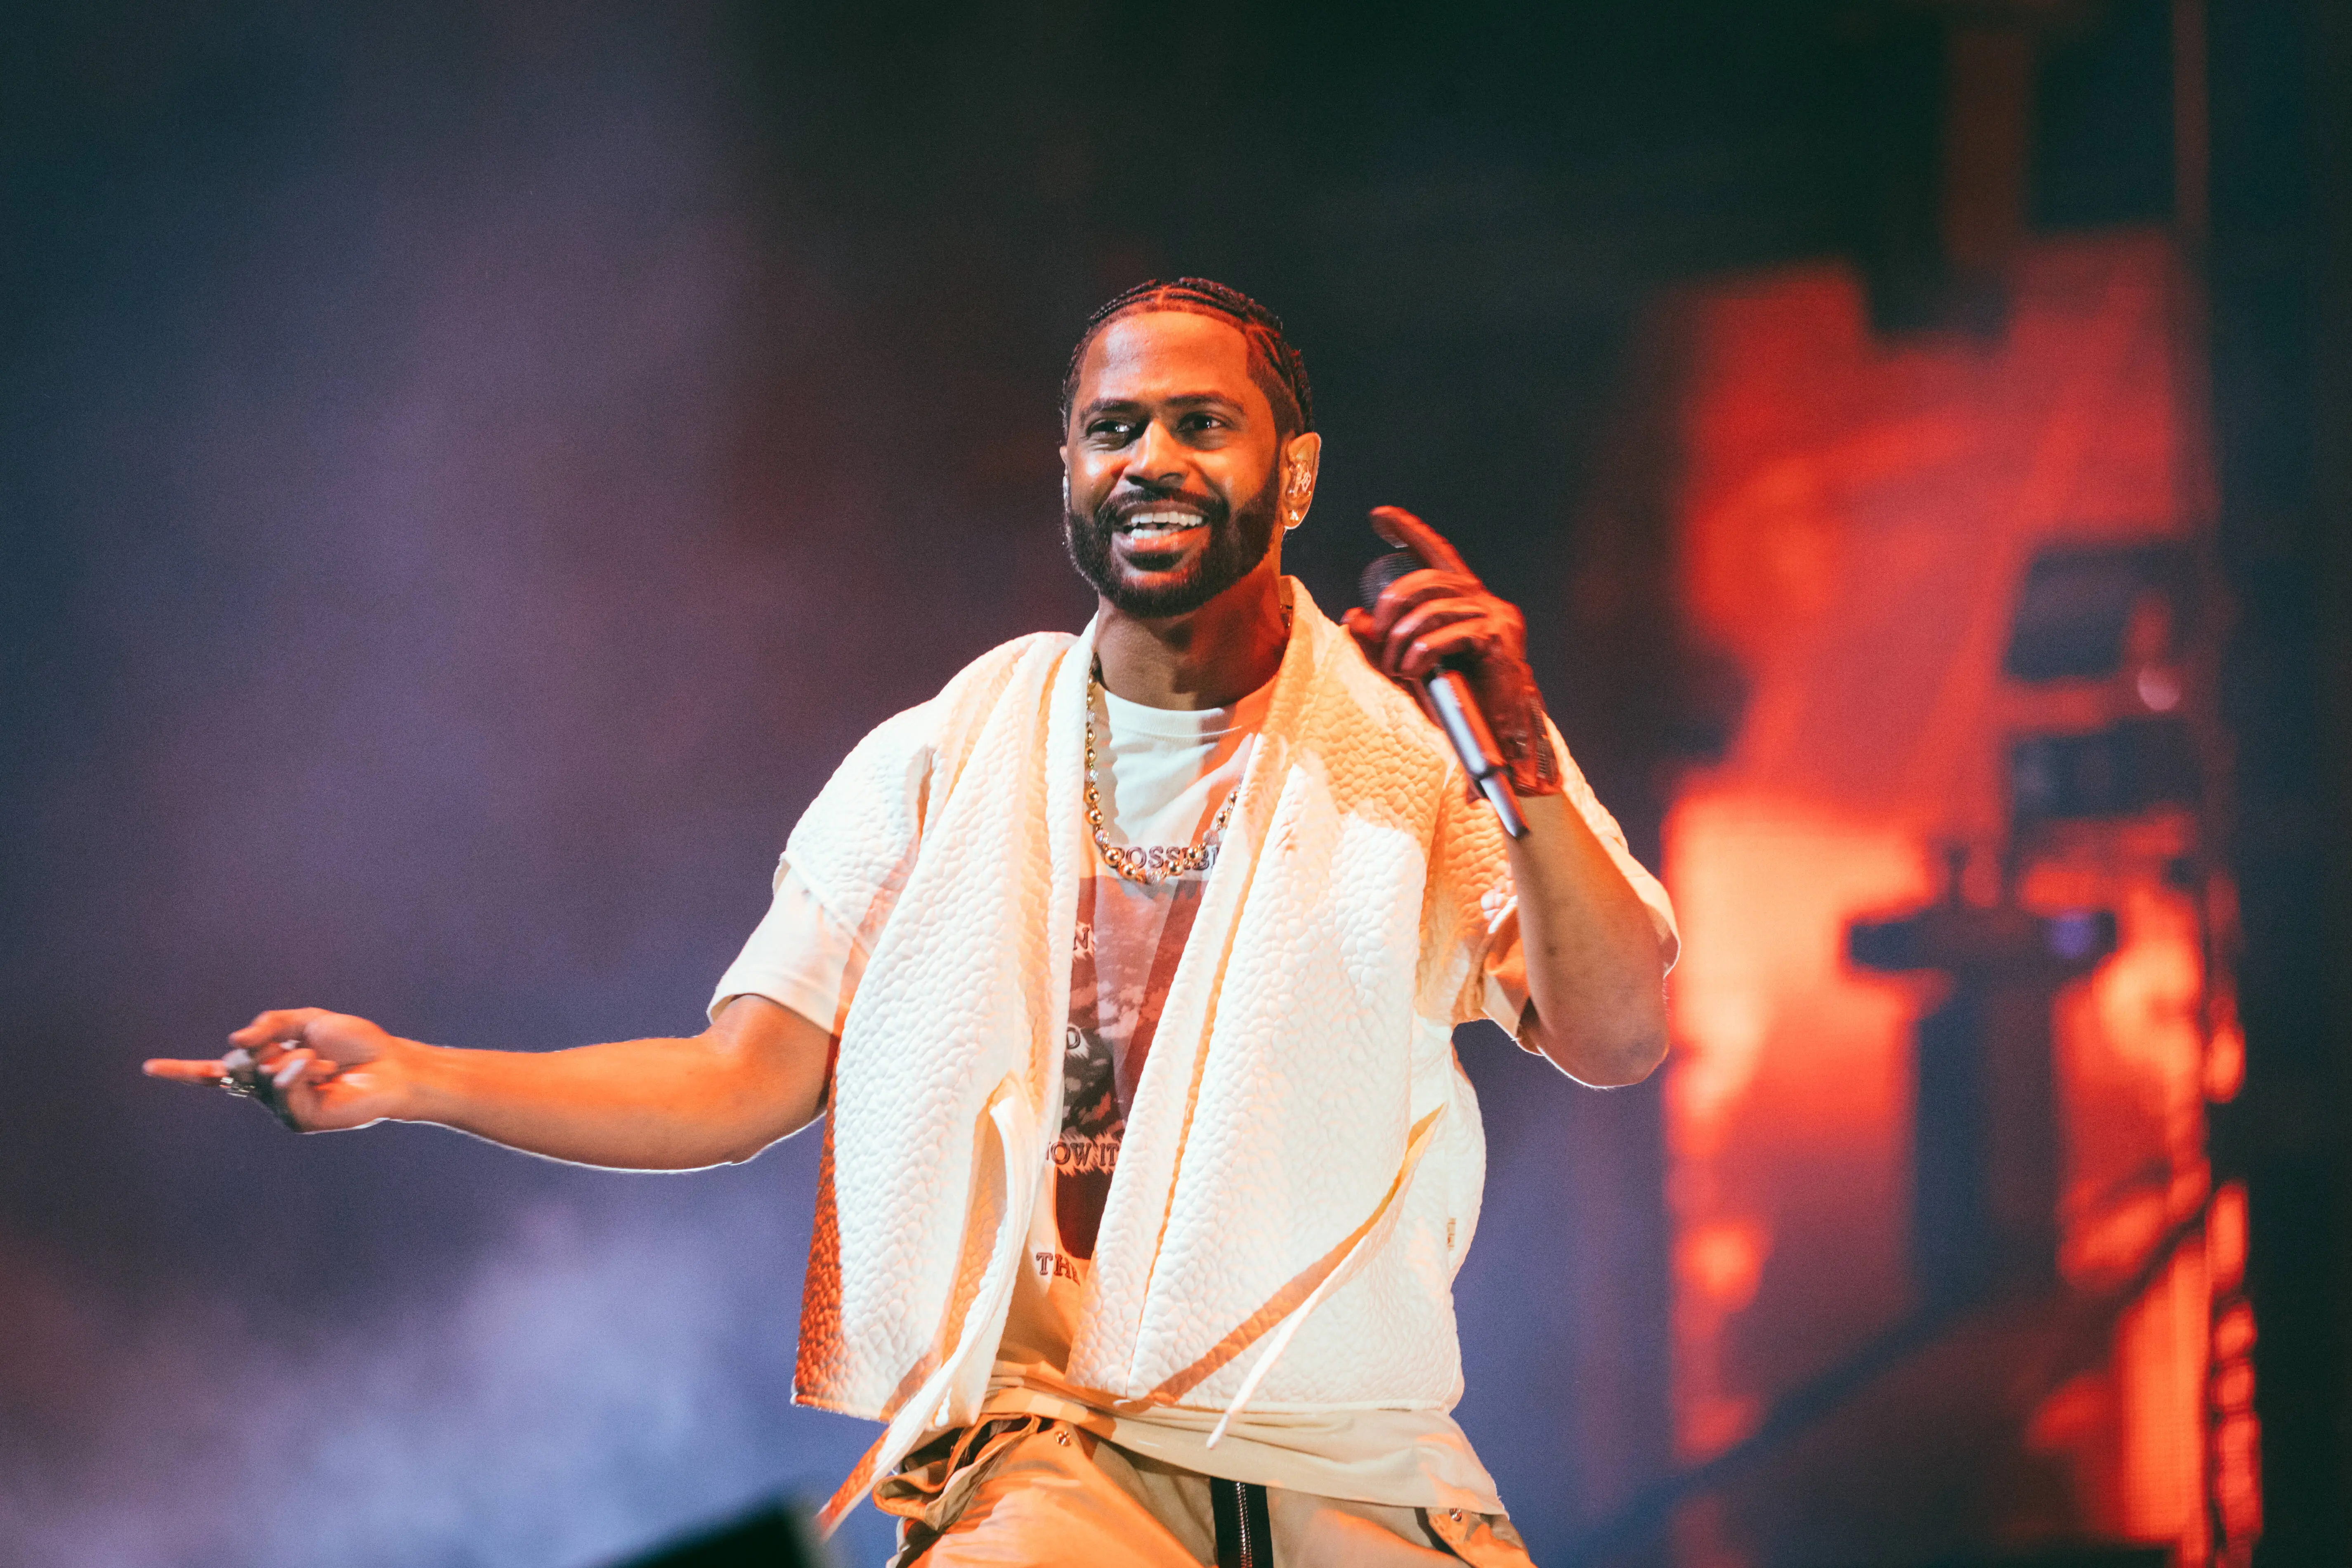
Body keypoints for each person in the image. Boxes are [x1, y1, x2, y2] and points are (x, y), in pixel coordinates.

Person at [146, 278, 1677, 1566]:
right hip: (1054, 1472)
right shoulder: (949, 753)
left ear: (1292, 477)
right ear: (1067, 468)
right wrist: (418, 1078)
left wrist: (1521, 765)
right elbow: (737, 1081)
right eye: (1112, 429)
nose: (1149, 459)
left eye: (1200, 424)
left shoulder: (1419, 753)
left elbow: (1612, 1036)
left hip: (1361, 1471)